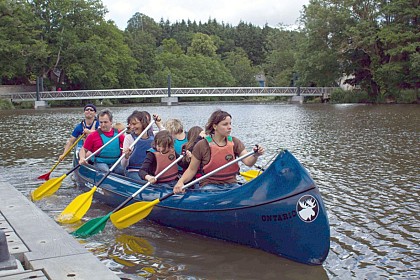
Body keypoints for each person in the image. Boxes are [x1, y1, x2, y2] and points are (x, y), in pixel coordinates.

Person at [173, 109, 264, 193]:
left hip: (232, 184)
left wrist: (255, 155)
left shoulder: (235, 142)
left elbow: (248, 162)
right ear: (215, 126)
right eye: (225, 124)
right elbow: (192, 170)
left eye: (230, 124)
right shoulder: (201, 145)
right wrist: (180, 182)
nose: (229, 127)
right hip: (210, 185)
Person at [79, 108, 125, 174]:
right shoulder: (93, 135)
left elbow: (128, 146)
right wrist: (82, 158)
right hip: (100, 162)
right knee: (105, 171)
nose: (103, 125)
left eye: (105, 122)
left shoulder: (119, 134)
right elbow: (83, 150)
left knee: (123, 171)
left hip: (116, 162)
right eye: (101, 122)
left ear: (111, 121)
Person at [121, 111, 154, 182]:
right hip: (134, 171)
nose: (132, 127)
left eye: (134, 124)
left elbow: (166, 138)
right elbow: (123, 165)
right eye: (130, 124)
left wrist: (159, 124)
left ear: (143, 123)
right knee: (145, 183)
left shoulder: (153, 136)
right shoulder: (129, 138)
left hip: (149, 171)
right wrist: (126, 156)